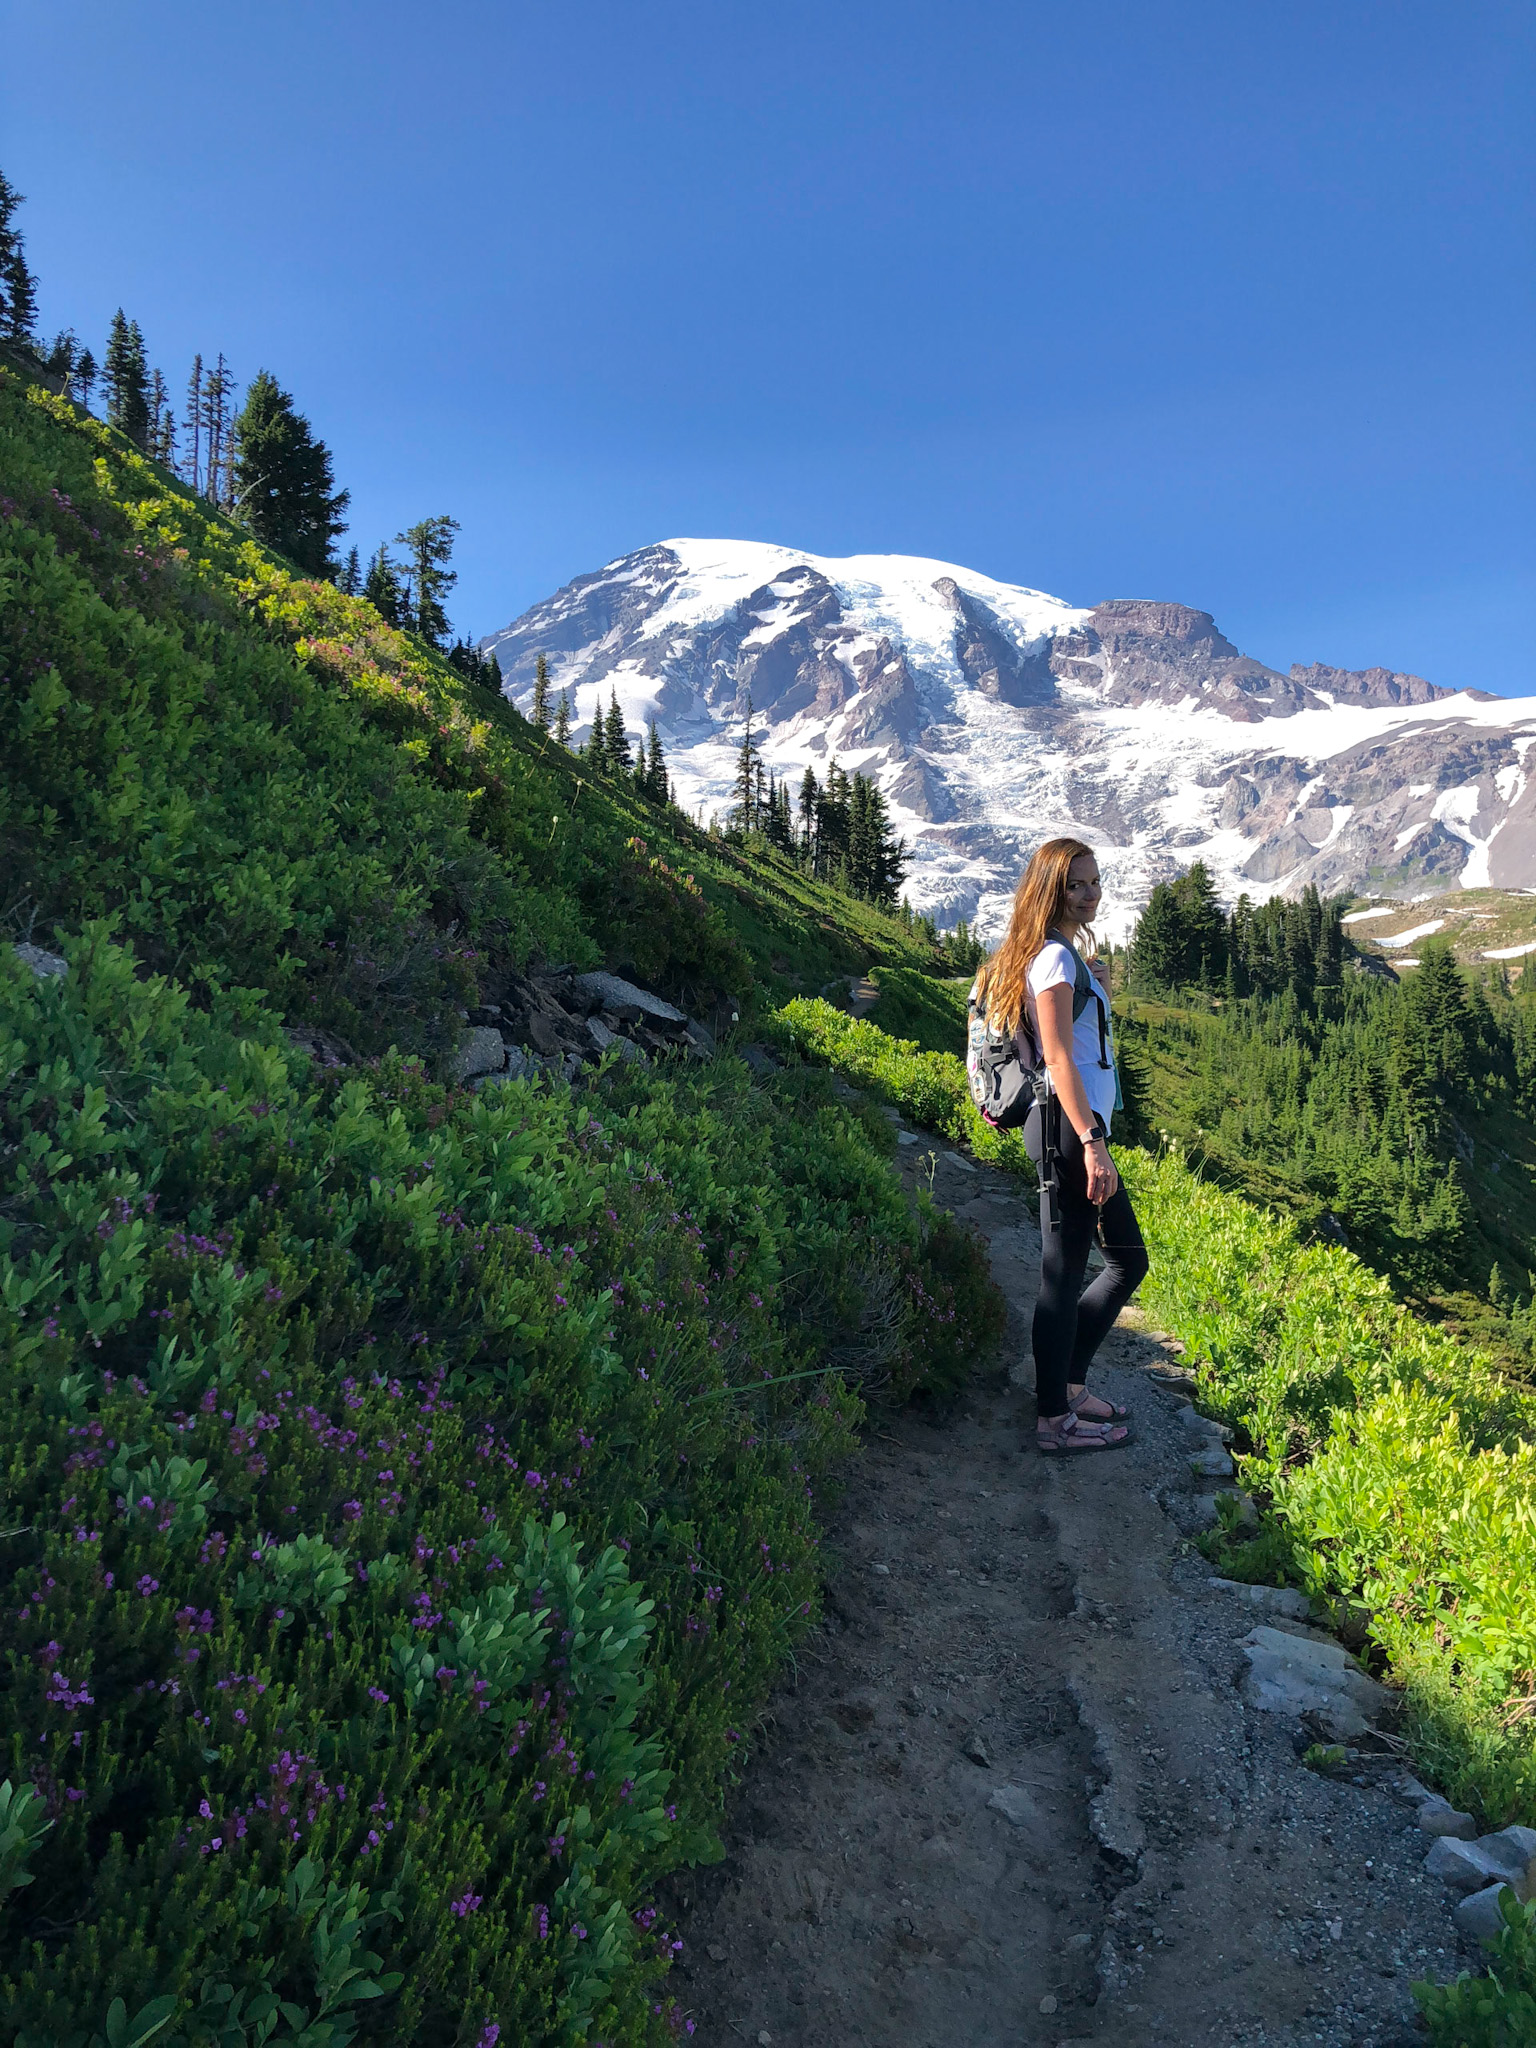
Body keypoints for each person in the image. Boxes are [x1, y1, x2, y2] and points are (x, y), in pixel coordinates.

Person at [973, 837, 1149, 1454]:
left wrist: (1092, 986)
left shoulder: (1061, 957)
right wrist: (1093, 1142)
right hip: (1066, 1130)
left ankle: (1068, 1390)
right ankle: (1054, 1419)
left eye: (1095, 882)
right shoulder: (1051, 959)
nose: (1090, 893)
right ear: (1050, 889)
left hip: (1072, 1127)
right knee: (1069, 1271)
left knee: (1116, 1263)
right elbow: (1055, 1059)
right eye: (1076, 884)